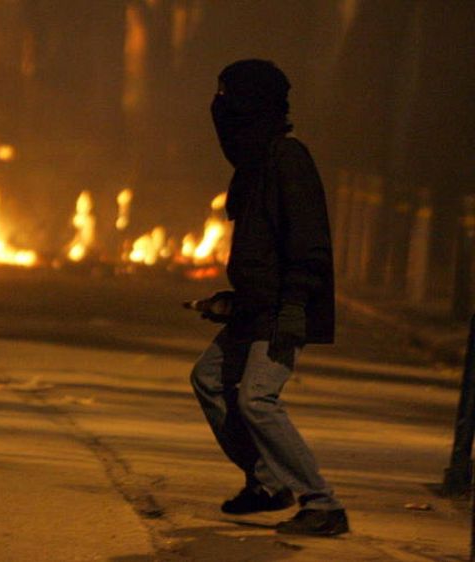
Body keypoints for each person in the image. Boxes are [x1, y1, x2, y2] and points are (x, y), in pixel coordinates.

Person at [188, 59, 349, 536]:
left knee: (257, 399)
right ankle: (267, 481)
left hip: (283, 311)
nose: (221, 114)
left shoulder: (288, 160)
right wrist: (233, 299)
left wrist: (295, 307)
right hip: (257, 308)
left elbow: (309, 244)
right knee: (209, 379)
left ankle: (323, 504)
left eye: (230, 103)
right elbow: (261, 252)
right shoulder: (253, 167)